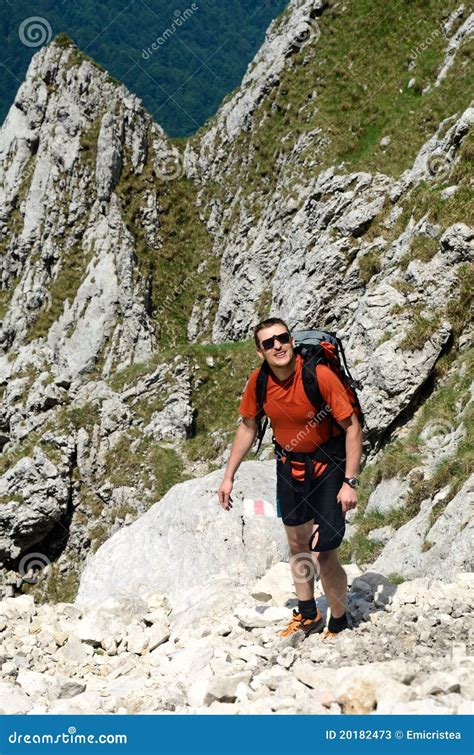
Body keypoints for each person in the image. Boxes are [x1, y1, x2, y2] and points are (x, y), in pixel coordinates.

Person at [217, 317, 363, 638]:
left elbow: (352, 428)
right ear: (260, 351)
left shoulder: (319, 375)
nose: (277, 346)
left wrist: (349, 481)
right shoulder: (258, 382)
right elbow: (247, 426)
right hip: (290, 466)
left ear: (292, 341)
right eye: (268, 343)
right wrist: (229, 477)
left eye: (282, 338)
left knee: (324, 552)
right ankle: (308, 613)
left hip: (328, 468)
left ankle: (338, 621)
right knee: (297, 545)